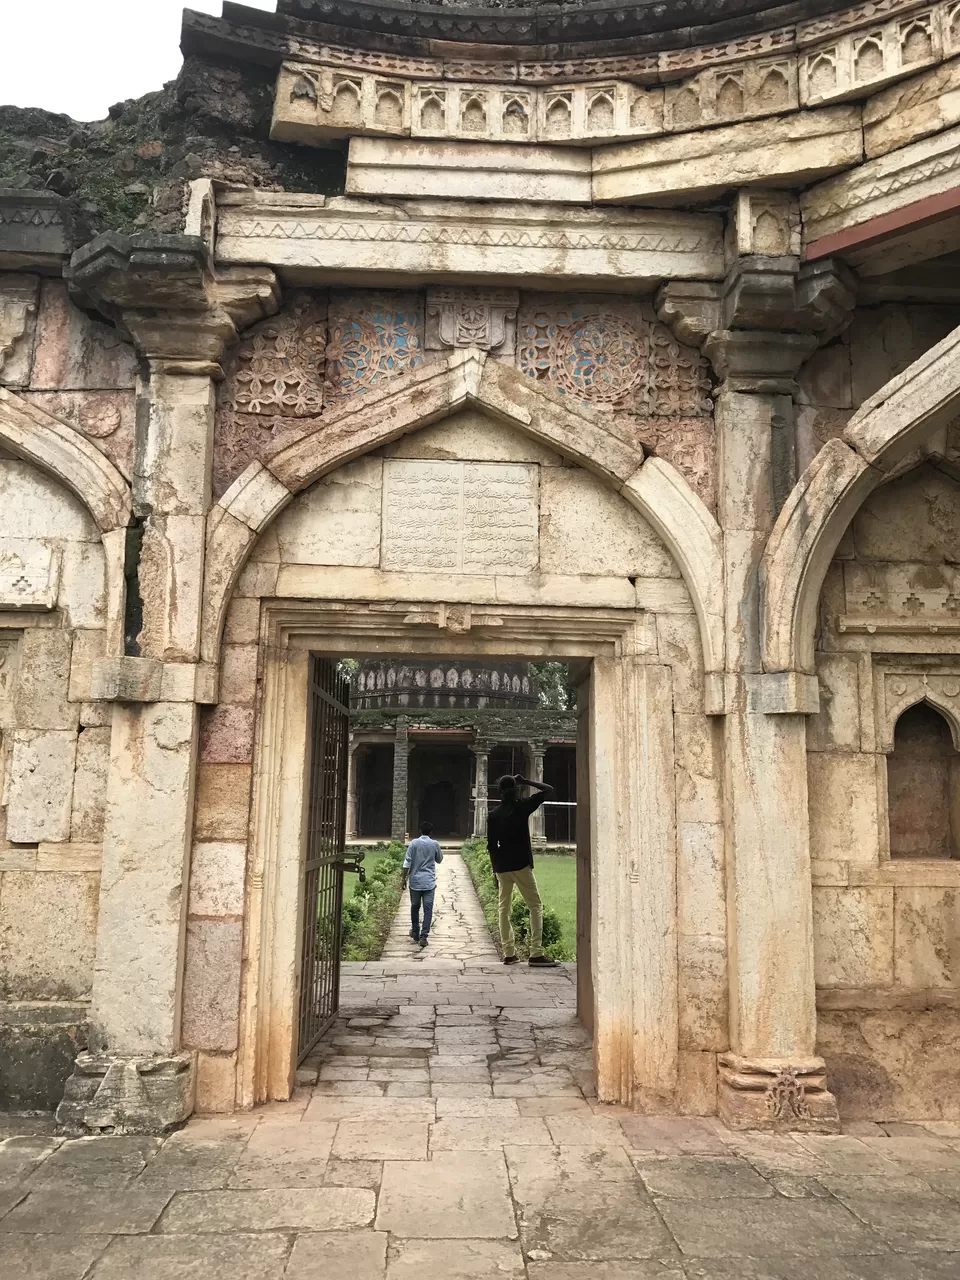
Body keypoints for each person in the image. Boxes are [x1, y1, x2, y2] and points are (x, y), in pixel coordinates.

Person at [486, 773, 558, 967]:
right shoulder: (521, 807)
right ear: (516, 790)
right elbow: (548, 789)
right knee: (535, 906)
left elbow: (492, 846)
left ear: (500, 792)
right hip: (521, 864)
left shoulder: (493, 815)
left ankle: (509, 953)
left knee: (504, 909)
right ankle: (536, 952)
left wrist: (495, 870)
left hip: (502, 866)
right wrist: (526, 781)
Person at [401, 820, 443, 950]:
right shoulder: (434, 844)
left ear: (420, 831)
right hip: (429, 882)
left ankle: (415, 931)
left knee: (415, 906)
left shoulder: (413, 843)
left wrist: (403, 878)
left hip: (415, 881)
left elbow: (407, 862)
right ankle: (424, 936)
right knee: (428, 909)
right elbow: (439, 859)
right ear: (431, 832)